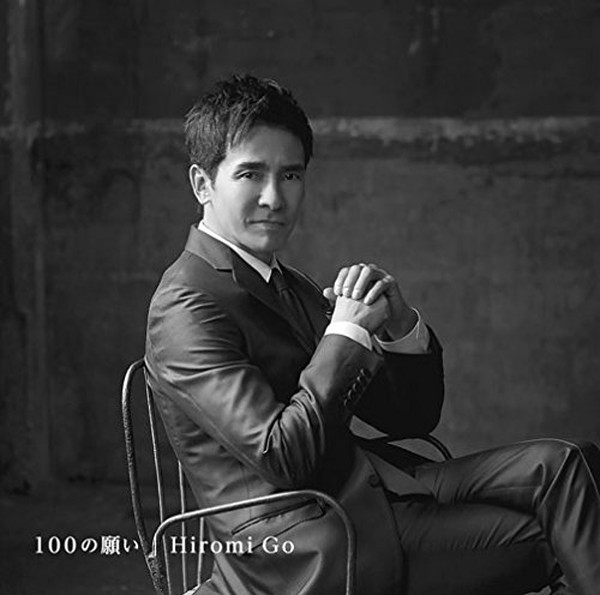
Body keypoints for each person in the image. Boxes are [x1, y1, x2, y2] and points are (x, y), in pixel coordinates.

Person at [145, 74, 600, 595]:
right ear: (202, 184)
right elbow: (283, 456)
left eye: (290, 175)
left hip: (375, 487)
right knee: (564, 534)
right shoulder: (186, 304)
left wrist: (397, 329)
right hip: (308, 540)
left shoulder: (285, 283)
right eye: (251, 174)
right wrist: (344, 333)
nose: (274, 197)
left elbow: (411, 419)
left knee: (568, 465)